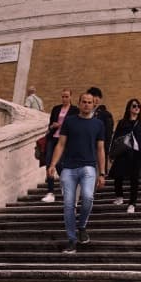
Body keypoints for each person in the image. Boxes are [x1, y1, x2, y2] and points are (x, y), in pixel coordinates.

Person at [47, 93, 106, 253]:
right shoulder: (69, 121)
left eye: (89, 102)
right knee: (68, 205)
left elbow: (101, 149)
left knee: (87, 197)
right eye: (84, 102)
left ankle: (82, 226)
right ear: (79, 104)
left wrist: (102, 173)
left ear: (94, 105)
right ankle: (72, 240)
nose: (86, 105)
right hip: (69, 168)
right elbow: (60, 144)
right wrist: (52, 164)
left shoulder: (98, 124)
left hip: (89, 167)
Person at [109, 98, 141, 214]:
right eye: (134, 106)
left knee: (134, 179)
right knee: (117, 175)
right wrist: (112, 153)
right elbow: (115, 138)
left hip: (136, 155)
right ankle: (119, 196)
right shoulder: (122, 123)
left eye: (138, 106)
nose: (137, 108)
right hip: (123, 153)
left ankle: (132, 203)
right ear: (129, 108)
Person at [42, 89, 78, 203]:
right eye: (63, 96)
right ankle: (50, 192)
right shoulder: (56, 109)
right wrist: (53, 126)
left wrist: (60, 125)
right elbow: (50, 123)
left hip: (64, 141)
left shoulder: (74, 110)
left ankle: (64, 182)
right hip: (53, 138)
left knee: (59, 163)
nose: (64, 99)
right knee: (49, 163)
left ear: (71, 97)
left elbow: (73, 125)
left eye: (66, 96)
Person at [87, 87, 114, 169]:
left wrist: (106, 148)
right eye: (94, 96)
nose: (96, 99)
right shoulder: (85, 113)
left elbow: (108, 134)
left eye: (98, 97)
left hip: (99, 147)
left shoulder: (105, 114)